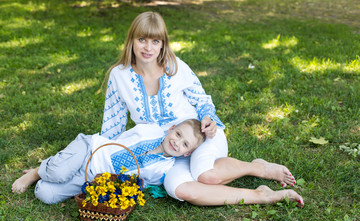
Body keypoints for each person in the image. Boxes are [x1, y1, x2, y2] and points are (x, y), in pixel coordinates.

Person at [99, 11, 304, 207]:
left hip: (198, 134)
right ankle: (261, 195)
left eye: (155, 41)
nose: (148, 48)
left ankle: (257, 167)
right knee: (181, 190)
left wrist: (208, 118)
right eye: (141, 39)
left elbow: (202, 99)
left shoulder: (174, 66)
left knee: (205, 174)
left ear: (163, 44)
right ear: (131, 40)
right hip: (168, 150)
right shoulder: (120, 75)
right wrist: (104, 159)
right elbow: (113, 121)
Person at [11, 119, 206, 204]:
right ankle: (36, 172)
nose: (176, 142)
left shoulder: (163, 169)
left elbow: (140, 184)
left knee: (45, 194)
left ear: (187, 153)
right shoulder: (151, 130)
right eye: (178, 133)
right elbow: (121, 137)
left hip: (92, 178)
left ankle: (52, 168)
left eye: (185, 144)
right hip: (90, 148)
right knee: (58, 173)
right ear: (171, 128)